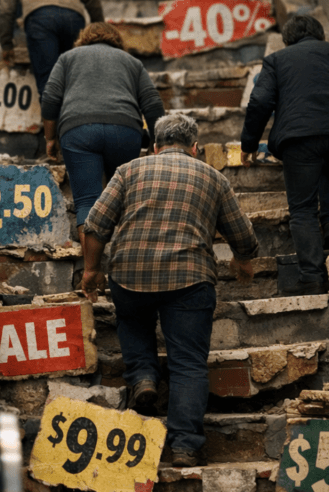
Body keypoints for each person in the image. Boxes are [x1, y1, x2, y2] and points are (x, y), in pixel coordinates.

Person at [80, 114, 259, 468]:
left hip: (130, 272)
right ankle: (185, 447)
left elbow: (96, 224)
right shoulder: (214, 177)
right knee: (189, 364)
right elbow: (243, 236)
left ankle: (144, 376)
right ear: (195, 148)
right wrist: (242, 260)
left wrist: (91, 270)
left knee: (132, 322)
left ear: (156, 146)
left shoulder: (128, 171)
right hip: (190, 279)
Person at [240, 15, 329, 295]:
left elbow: (259, 101)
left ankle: (311, 276)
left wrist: (249, 144)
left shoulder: (277, 60)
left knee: (303, 208)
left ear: (287, 38)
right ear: (319, 34)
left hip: (299, 140)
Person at [41, 22, 164, 248]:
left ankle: (91, 269)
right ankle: (127, 257)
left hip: (79, 131)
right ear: (117, 41)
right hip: (125, 131)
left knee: (87, 200)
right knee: (125, 199)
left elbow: (50, 99)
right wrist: (157, 143)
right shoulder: (132, 62)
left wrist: (50, 139)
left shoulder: (67, 58)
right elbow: (153, 105)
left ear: (83, 38)